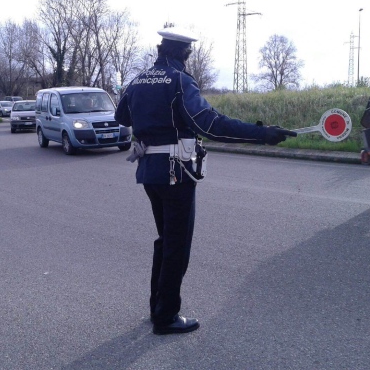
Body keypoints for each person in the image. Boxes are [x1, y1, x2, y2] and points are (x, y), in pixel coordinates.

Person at [114, 27, 296, 335]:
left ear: (161, 50)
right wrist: (262, 134)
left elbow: (123, 117)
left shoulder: (137, 80)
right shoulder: (180, 81)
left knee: (165, 240)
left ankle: (157, 307)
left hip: (149, 171)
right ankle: (166, 316)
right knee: (177, 245)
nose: (188, 60)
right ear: (183, 53)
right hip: (176, 172)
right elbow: (210, 124)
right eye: (188, 55)